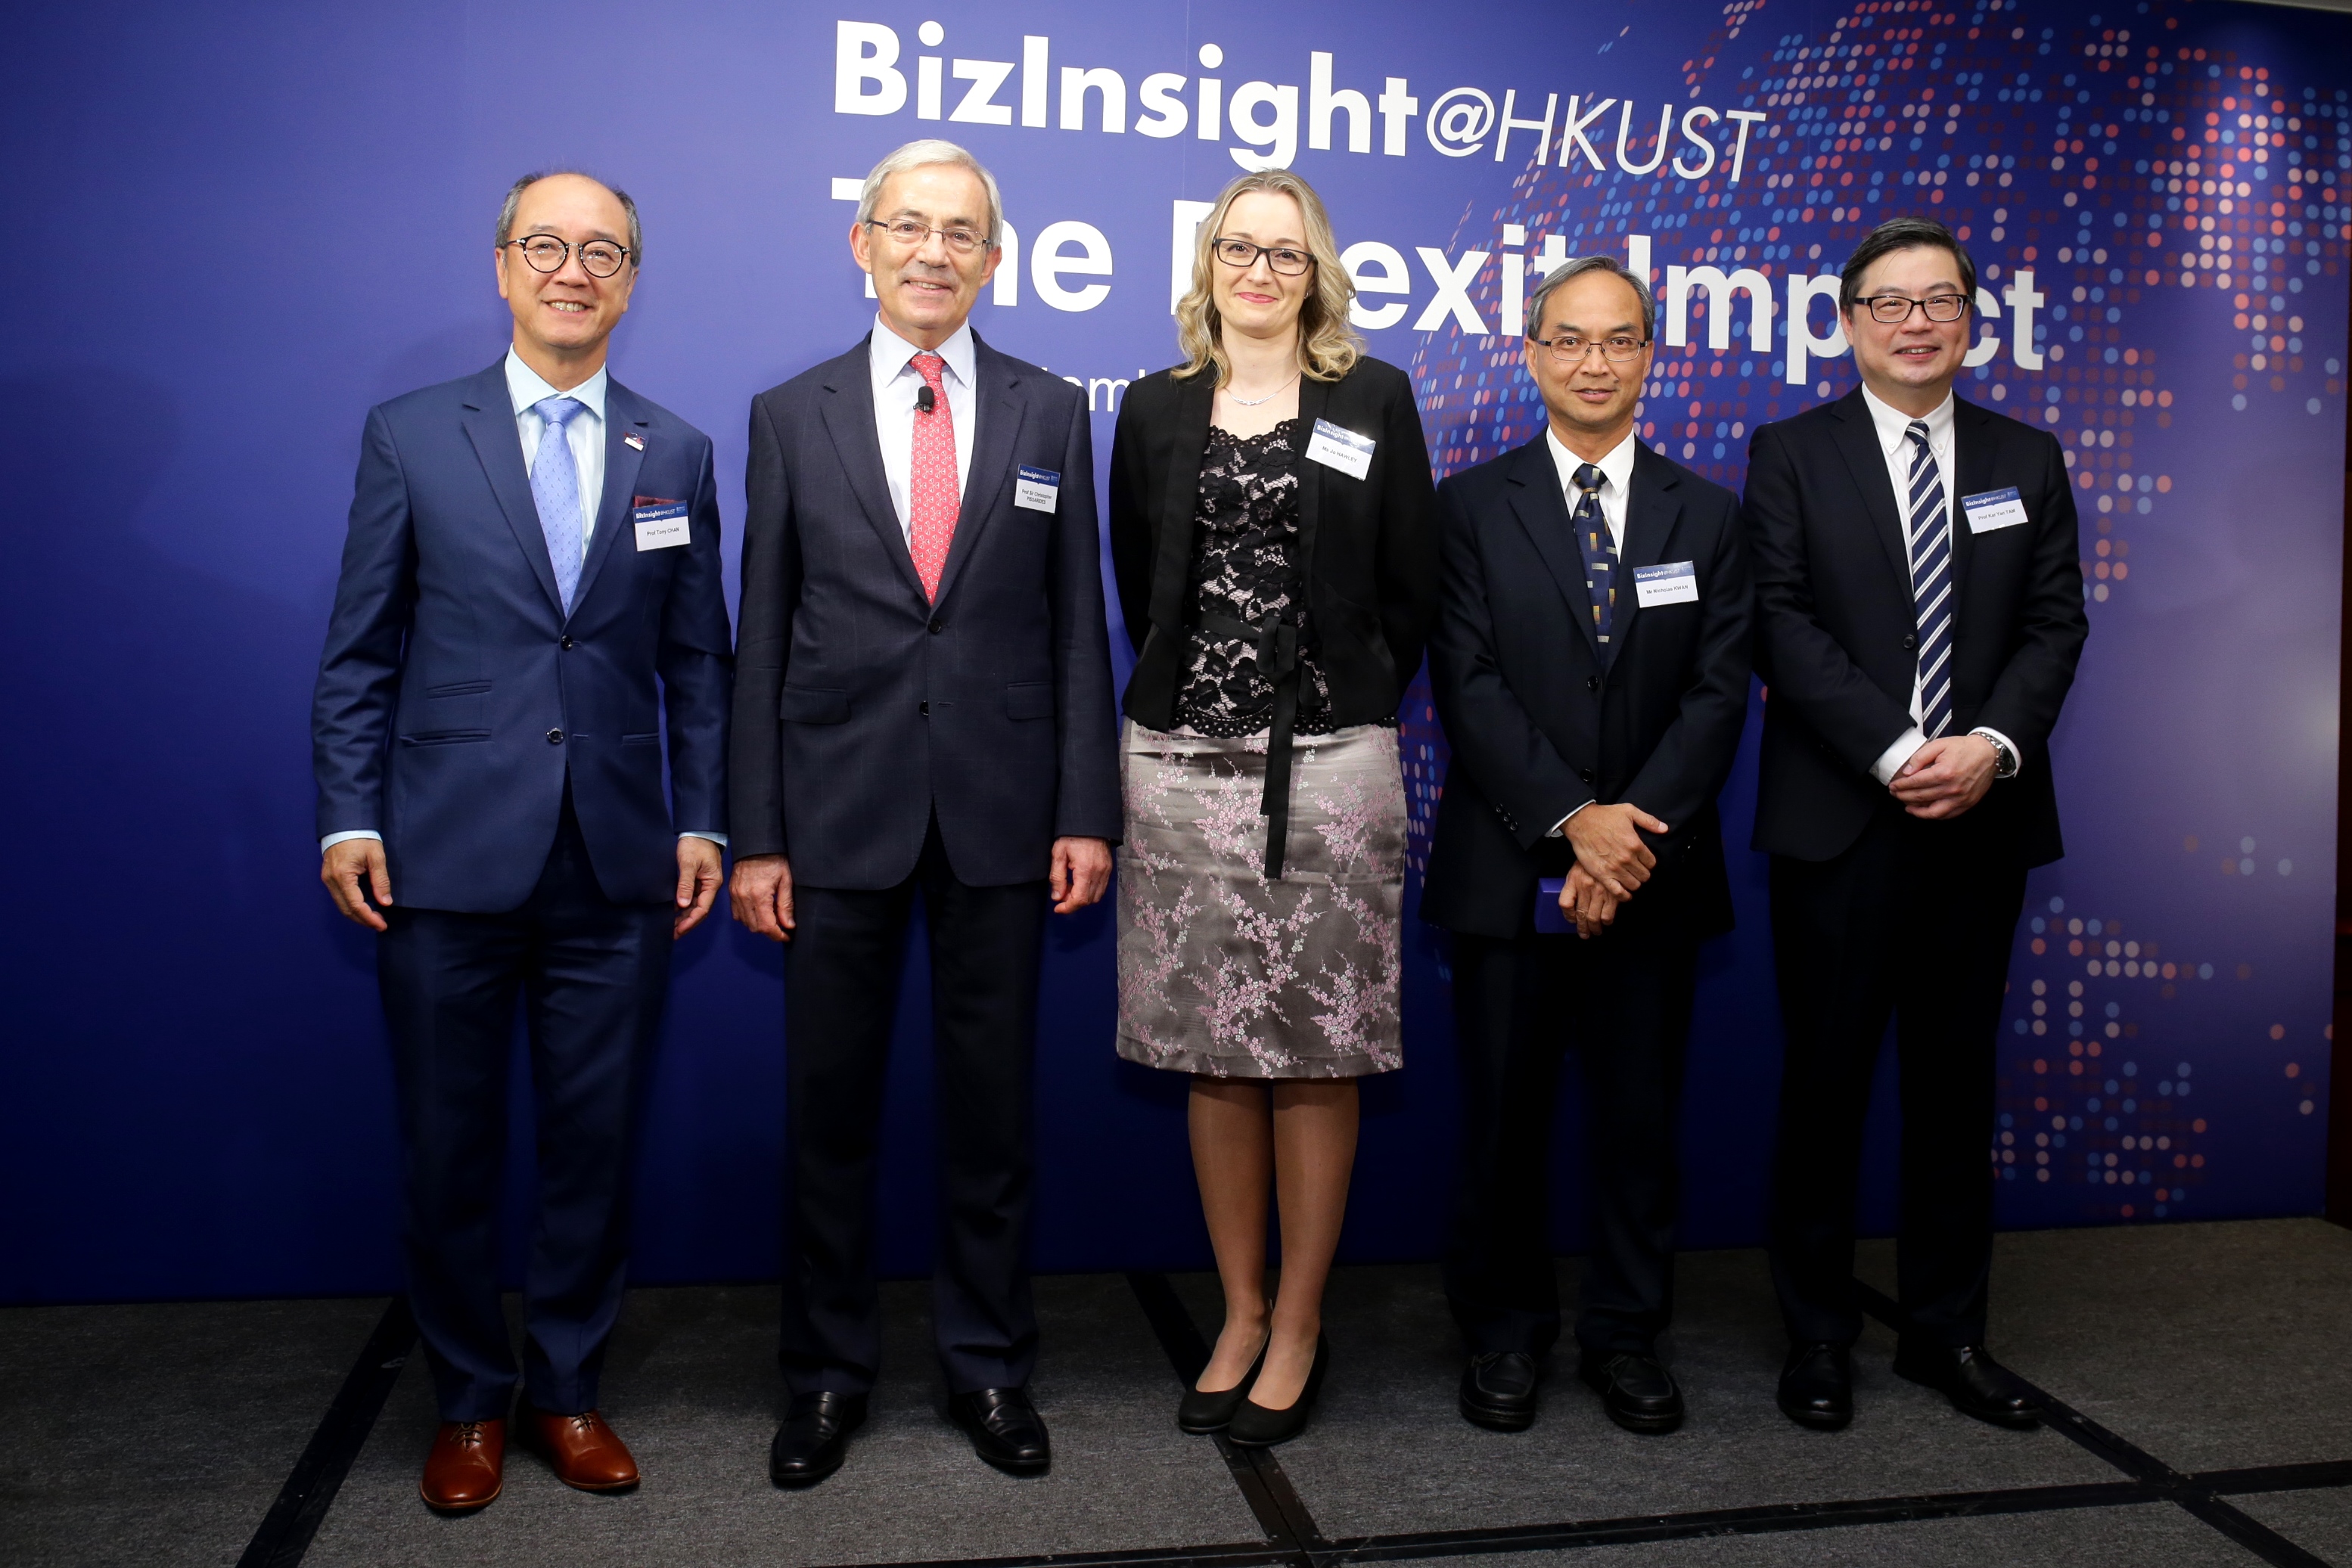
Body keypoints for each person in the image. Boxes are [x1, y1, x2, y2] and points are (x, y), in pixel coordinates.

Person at [312, 171, 733, 1511]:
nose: (572, 270)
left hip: (616, 863)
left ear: (629, 280)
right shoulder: (410, 434)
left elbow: (697, 662)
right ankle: (465, 1399)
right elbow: (360, 650)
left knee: (593, 1146)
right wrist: (350, 811)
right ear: (503, 266)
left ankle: (565, 1388)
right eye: (545, 245)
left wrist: (703, 816)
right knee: (448, 1148)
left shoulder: (676, 451)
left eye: (601, 251)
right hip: (440, 858)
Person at [729, 139, 1119, 1486]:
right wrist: (756, 832)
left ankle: (988, 1364)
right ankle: (825, 1375)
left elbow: (1076, 624)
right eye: (908, 226)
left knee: (991, 1118)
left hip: (1003, 813)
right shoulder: (791, 412)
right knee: (828, 1117)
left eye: (960, 232)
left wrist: (1086, 808)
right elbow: (761, 633)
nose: (932, 252)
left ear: (994, 258)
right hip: (834, 811)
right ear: (863, 243)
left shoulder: (1050, 410)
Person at [1107, 169, 1437, 1448]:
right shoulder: (1154, 405)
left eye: (1283, 254)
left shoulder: (1373, 396)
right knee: (1214, 1047)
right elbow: (1140, 577)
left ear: (1315, 274)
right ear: (1207, 264)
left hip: (1334, 762)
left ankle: (1299, 1321)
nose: (1258, 271)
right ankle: (1238, 1312)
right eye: (1238, 249)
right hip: (1179, 764)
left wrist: (1344, 690)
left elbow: (1408, 583)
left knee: (1315, 1048)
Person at [1745, 216, 2088, 1431]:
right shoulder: (1790, 452)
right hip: (1842, 818)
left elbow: (2055, 622)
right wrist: (1896, 749)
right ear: (1847, 323)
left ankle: (1947, 1334)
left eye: (1939, 300)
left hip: (1979, 823)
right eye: (1887, 302)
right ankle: (1817, 1334)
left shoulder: (2024, 456)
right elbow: (1779, 620)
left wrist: (1987, 746)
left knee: (1953, 1091)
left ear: (1969, 320)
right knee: (1824, 1089)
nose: (1914, 322)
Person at [1421, 256, 1751, 1436]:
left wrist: (1625, 837)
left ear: (1650, 357)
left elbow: (1716, 694)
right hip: (1508, 863)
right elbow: (1465, 680)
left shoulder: (1707, 514)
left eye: (1618, 340)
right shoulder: (1468, 506)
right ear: (1530, 353)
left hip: (1655, 869)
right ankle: (1502, 1333)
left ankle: (1625, 1334)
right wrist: (1574, 821)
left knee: (1637, 1126)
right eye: (1568, 339)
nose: (1593, 361)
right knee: (1500, 1123)